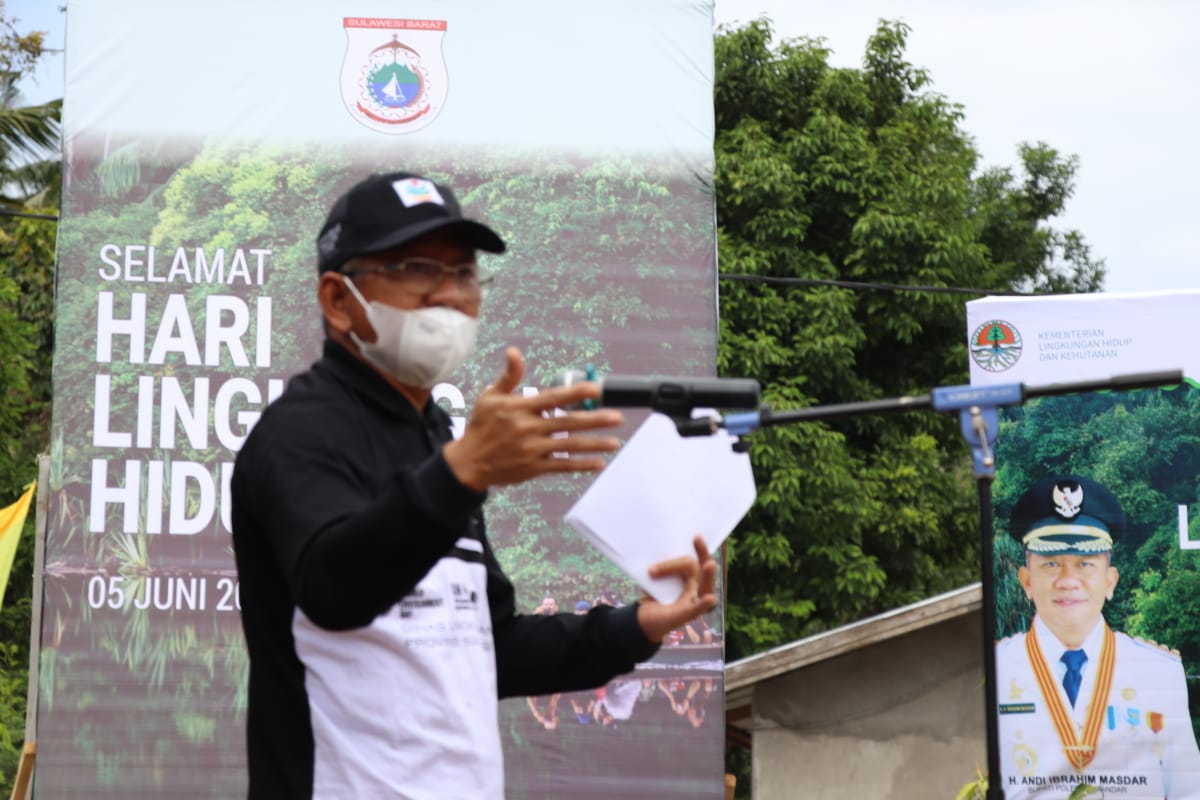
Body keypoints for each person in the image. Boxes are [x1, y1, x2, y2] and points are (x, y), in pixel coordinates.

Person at [230, 171, 718, 799]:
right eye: (417, 269)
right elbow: (333, 588)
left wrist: (637, 626)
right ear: (339, 299)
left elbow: (493, 650)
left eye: (463, 273)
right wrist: (462, 474)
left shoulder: (436, 438)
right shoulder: (297, 435)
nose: (452, 295)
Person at [996, 475, 1200, 799]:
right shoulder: (993, 671)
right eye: (1051, 563)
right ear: (1027, 581)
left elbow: (1188, 791)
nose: (1068, 580)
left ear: (1110, 580)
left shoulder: (1159, 671)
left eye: (1085, 564)